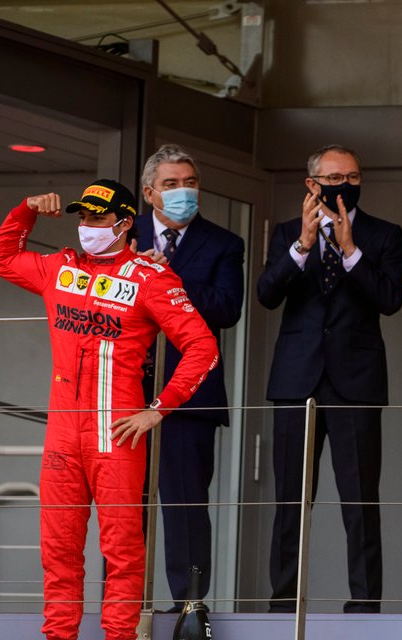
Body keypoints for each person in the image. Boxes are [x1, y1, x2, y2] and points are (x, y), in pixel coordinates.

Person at [0, 180, 219, 640]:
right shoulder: (60, 268)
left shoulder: (151, 278)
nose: (87, 227)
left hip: (116, 436)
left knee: (122, 550)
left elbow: (202, 347)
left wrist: (159, 409)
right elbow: (1, 258)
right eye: (83, 218)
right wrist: (24, 208)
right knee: (58, 551)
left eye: (98, 219)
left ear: (123, 225)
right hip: (63, 437)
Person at [257, 144, 402, 613]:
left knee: (360, 499)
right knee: (290, 501)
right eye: (334, 178)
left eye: (353, 177)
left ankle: (364, 603)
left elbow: (388, 299)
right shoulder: (286, 232)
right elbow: (265, 294)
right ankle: (283, 601)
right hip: (296, 380)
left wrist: (350, 250)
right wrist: (303, 244)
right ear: (312, 184)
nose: (345, 185)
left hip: (355, 381)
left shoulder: (383, 234)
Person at [134, 144, 244, 609]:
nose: (183, 191)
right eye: (171, 184)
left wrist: (170, 279)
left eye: (190, 182)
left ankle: (189, 609)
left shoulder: (223, 243)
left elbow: (226, 308)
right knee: (125, 509)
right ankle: (126, 603)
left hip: (190, 396)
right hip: (126, 392)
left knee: (185, 509)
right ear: (148, 193)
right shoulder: (121, 236)